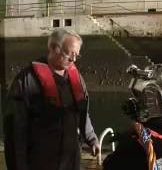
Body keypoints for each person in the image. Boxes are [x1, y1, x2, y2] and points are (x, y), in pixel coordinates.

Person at [3, 29, 100, 170]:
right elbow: (15, 131)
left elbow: (82, 112)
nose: (73, 59)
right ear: (54, 48)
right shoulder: (26, 81)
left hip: (70, 162)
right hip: (39, 162)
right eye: (70, 54)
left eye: (77, 55)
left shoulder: (77, 78)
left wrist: (91, 138)